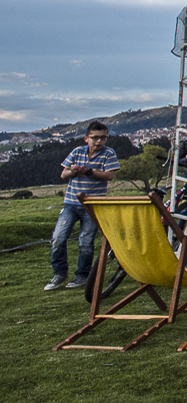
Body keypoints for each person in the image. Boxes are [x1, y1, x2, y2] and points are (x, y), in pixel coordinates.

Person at [47, 122, 120, 291]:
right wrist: (74, 171)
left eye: (103, 137)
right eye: (95, 138)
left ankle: (82, 275)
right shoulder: (77, 151)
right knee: (58, 237)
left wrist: (88, 171)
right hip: (71, 203)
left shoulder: (109, 154)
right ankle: (59, 273)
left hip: (93, 204)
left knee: (85, 241)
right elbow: (63, 174)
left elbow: (109, 176)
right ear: (86, 138)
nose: (99, 141)